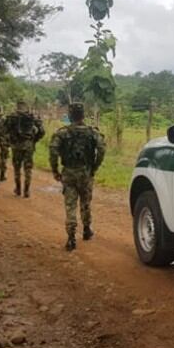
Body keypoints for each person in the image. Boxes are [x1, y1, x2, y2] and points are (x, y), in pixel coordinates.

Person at [49, 103, 106, 251]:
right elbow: (101, 149)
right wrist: (95, 166)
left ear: (70, 115)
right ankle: (86, 229)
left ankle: (71, 237)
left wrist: (55, 170)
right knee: (86, 202)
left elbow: (53, 151)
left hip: (68, 172)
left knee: (70, 205)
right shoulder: (92, 132)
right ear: (83, 115)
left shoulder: (62, 133)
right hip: (86, 172)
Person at [5, 101, 45, 198]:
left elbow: (5, 130)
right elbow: (42, 131)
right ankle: (26, 190)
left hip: (16, 146)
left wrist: (10, 140)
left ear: (17, 107)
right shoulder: (31, 117)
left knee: (17, 168)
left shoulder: (12, 117)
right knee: (28, 168)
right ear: (26, 107)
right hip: (28, 146)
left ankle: (18, 189)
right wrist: (34, 140)